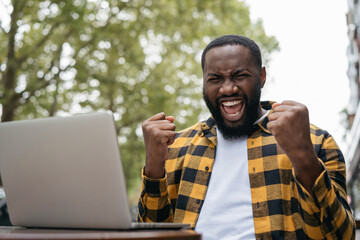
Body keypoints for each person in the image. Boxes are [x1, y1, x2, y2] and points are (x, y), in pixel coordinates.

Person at [137, 35, 355, 239]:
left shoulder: (315, 141)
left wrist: (303, 156)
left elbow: (340, 235)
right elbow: (152, 234)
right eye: (215, 79)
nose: (228, 88)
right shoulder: (177, 147)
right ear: (204, 82)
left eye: (240, 76)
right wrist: (154, 168)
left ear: (262, 77)